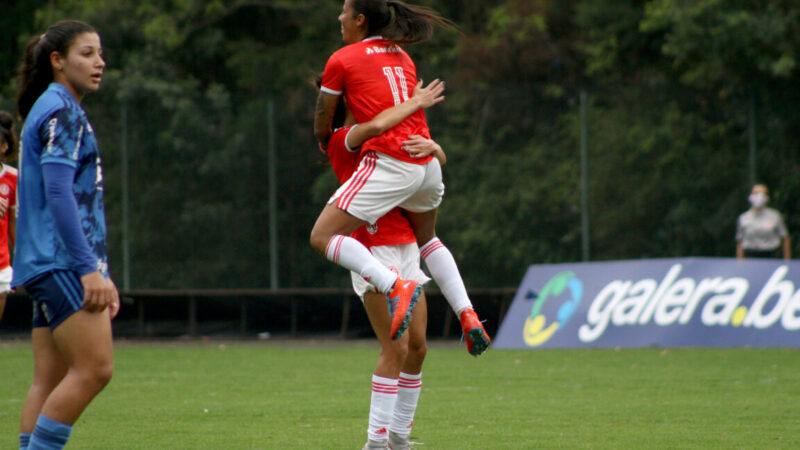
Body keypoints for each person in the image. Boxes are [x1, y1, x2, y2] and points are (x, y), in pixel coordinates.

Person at [311, 0, 490, 356]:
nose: (339, 17)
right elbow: (395, 124)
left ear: (360, 20)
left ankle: (394, 286)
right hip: (424, 166)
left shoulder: (343, 65)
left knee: (322, 235)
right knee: (430, 241)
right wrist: (434, 143)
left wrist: (322, 134)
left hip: (391, 184)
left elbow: (364, 125)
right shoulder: (403, 57)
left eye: (344, 11)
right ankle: (466, 312)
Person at [319, 76, 443, 450]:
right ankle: (376, 442)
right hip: (372, 251)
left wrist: (434, 147)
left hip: (405, 248)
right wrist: (415, 101)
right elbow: (376, 124)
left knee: (418, 347)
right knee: (395, 350)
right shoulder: (344, 137)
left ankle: (399, 438)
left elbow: (432, 169)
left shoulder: (392, 138)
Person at [14, 20, 119, 450]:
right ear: (58, 61)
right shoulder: (61, 109)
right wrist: (88, 269)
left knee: (49, 378)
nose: (100, 62)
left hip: (43, 263)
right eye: (87, 53)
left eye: (99, 53)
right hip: (62, 263)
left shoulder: (50, 104)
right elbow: (58, 192)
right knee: (95, 369)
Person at [736, 184, 791, 260]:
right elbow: (740, 241)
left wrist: (787, 260)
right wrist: (740, 261)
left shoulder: (775, 216)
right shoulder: (743, 217)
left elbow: (785, 237)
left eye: (762, 194)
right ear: (751, 196)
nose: (759, 196)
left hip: (770, 255)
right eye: (756, 193)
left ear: (766, 197)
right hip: (750, 255)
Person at [0, 111, 18, 321]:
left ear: (5, 146)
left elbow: (13, 224)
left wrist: (23, 262)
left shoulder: (13, 178)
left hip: (2, 265)